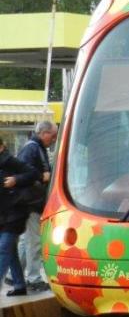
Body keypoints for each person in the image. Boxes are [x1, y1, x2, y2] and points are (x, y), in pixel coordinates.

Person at [16, 121, 58, 291]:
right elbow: (22, 173)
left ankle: (14, 275)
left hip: (28, 202)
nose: (54, 139)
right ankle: (34, 279)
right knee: (34, 241)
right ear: (43, 133)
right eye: (52, 136)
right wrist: (42, 177)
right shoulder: (32, 148)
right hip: (31, 203)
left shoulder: (35, 148)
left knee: (26, 240)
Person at [0, 137, 40, 296]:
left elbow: (34, 173)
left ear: (1, 147)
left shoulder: (10, 161)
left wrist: (16, 180)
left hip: (15, 212)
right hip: (3, 214)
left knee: (3, 249)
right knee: (10, 251)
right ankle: (19, 285)